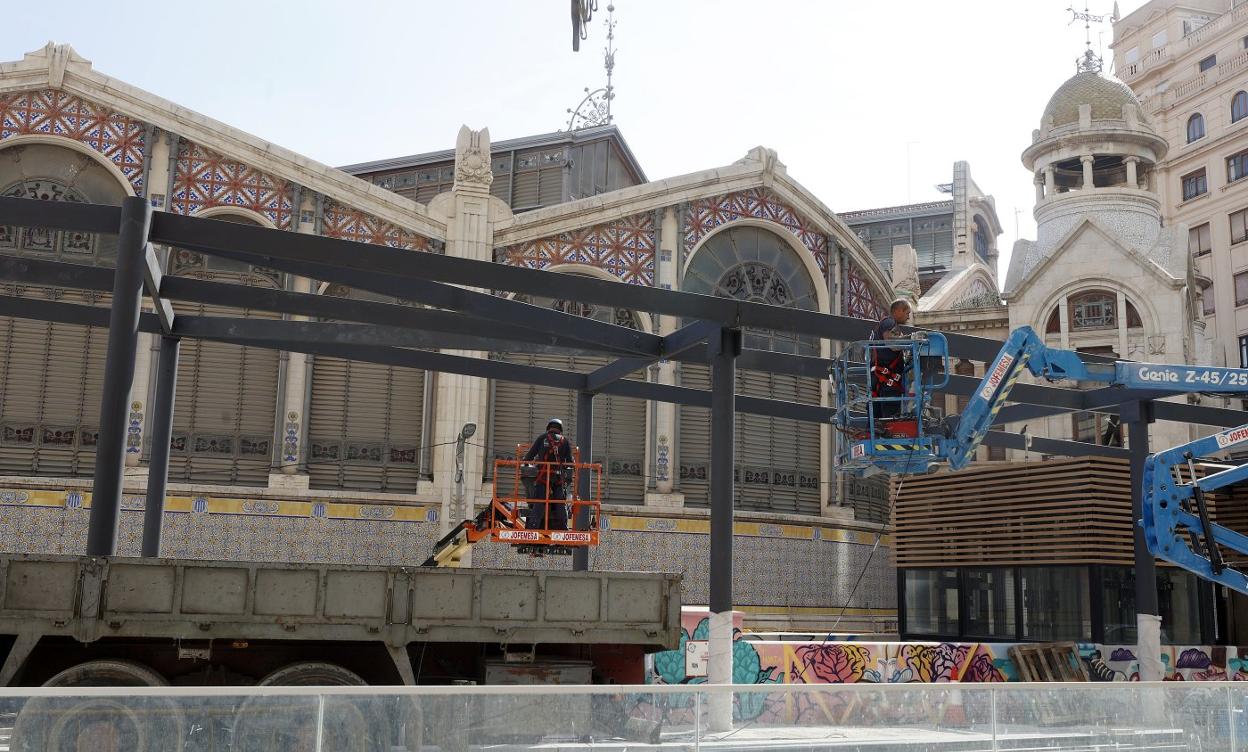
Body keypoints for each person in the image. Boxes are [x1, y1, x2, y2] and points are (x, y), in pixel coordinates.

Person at [523, 418, 574, 530]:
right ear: (560, 429)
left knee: (539, 503)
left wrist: (526, 461)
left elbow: (529, 456)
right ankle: (564, 529)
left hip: (543, 478)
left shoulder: (542, 438)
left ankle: (533, 528)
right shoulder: (564, 441)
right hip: (558, 479)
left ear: (548, 428)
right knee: (560, 503)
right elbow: (571, 462)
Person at [870, 299, 913, 420]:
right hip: (887, 382)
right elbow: (892, 344)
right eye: (907, 313)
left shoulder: (882, 325)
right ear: (898, 310)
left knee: (876, 419)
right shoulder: (889, 322)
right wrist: (913, 340)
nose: (908, 317)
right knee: (890, 419)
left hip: (880, 380)